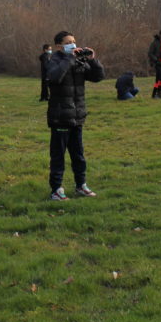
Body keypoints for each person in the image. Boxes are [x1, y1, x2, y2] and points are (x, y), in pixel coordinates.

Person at [45, 30, 105, 200]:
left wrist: (93, 60)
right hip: (60, 117)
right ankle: (56, 189)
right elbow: (55, 77)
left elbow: (98, 77)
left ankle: (81, 185)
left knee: (78, 155)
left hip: (77, 116)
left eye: (74, 41)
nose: (73, 44)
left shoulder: (79, 61)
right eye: (68, 42)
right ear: (59, 46)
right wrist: (69, 59)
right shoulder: (53, 61)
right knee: (58, 156)